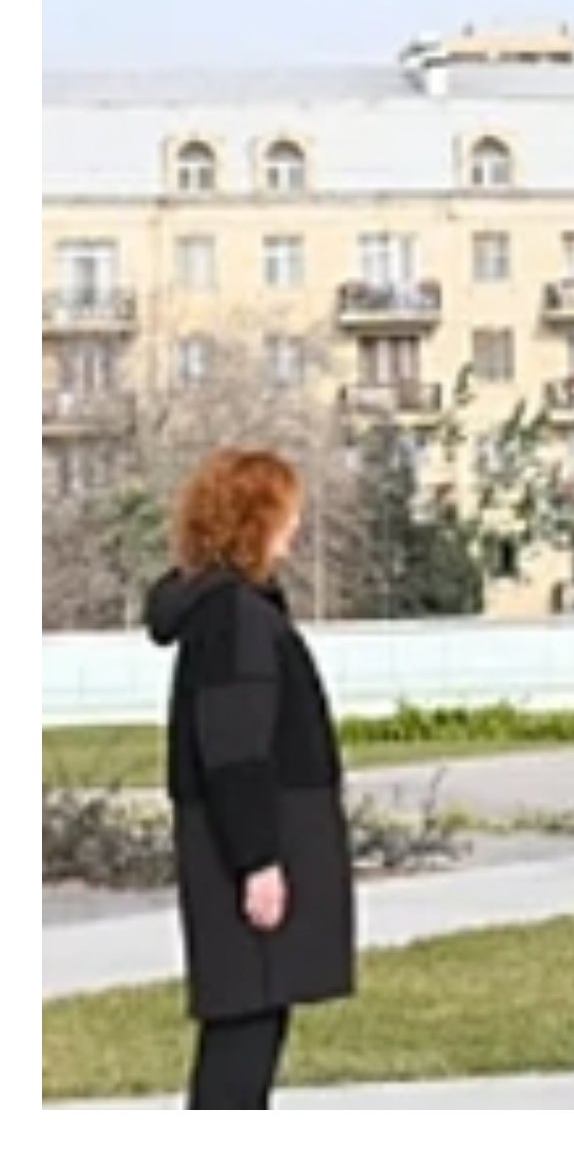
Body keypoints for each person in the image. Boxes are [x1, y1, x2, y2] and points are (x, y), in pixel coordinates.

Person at [144, 447, 357, 1109]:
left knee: (252, 1024)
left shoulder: (231, 611)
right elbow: (235, 749)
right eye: (285, 512)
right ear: (253, 520)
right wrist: (258, 861)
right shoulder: (235, 617)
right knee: (243, 1033)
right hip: (250, 849)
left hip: (247, 844)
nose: (295, 525)